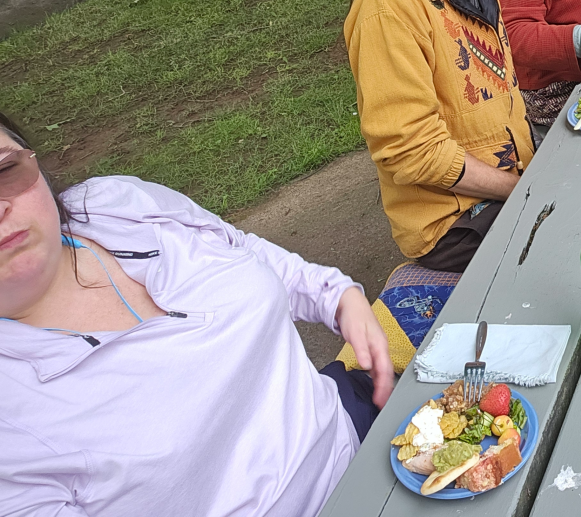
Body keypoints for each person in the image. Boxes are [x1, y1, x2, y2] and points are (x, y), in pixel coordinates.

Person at [0, 113, 394, 516]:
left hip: (356, 428)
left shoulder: (112, 205)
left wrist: (337, 296)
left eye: (5, 170)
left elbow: (239, 247)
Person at [346, 0, 534, 272]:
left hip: (510, 179)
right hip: (456, 223)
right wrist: (525, 189)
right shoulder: (389, 2)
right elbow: (412, 151)